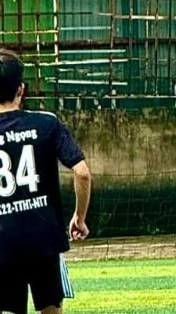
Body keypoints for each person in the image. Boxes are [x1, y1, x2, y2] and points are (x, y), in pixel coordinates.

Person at [0, 49, 91, 314]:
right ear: (21, 89)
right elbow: (82, 172)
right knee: (51, 306)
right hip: (44, 237)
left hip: (3, 240)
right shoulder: (46, 124)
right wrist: (80, 217)